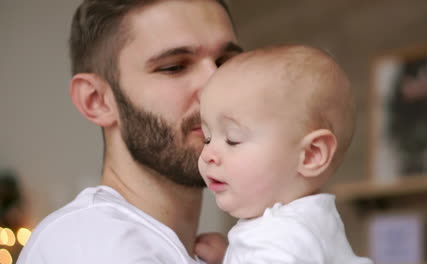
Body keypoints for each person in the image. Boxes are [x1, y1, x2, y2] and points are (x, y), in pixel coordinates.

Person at [17, 0, 242, 263]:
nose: (217, 89)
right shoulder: (88, 243)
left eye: (226, 62)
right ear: (96, 100)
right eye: (174, 67)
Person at [197, 45, 374, 263]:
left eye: (233, 139)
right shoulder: (302, 229)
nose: (207, 154)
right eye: (207, 138)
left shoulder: (281, 238)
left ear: (311, 154)